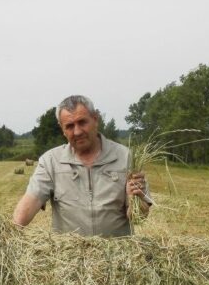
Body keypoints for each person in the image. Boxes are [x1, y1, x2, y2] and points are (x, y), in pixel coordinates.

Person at [12, 95, 150, 237]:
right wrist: (9, 232)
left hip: (117, 255)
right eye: (70, 126)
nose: (77, 131)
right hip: (68, 257)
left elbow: (138, 218)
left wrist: (136, 199)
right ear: (62, 129)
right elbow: (31, 201)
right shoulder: (51, 161)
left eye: (82, 122)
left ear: (95, 119)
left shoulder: (125, 157)